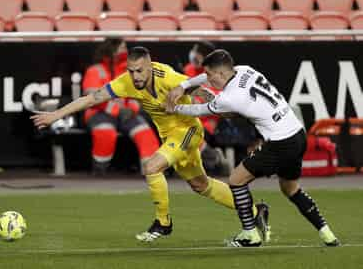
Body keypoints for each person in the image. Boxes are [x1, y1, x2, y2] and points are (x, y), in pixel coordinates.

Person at [31, 46, 269, 243]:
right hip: (170, 137)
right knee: (201, 185)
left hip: (187, 131)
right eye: (131, 71)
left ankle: (163, 222)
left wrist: (223, 106)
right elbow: (92, 98)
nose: (135, 77)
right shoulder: (127, 82)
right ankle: (256, 211)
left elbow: (199, 90)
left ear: (150, 65)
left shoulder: (168, 77)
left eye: (140, 71)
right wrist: (55, 115)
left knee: (152, 166)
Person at [166, 49, 339, 247]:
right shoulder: (244, 70)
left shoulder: (229, 98)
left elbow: (198, 110)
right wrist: (184, 85)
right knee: (290, 189)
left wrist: (174, 108)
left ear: (221, 73)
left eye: (210, 75)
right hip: (298, 134)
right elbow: (221, 98)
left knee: (236, 180)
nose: (208, 78)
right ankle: (327, 234)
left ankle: (250, 234)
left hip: (280, 142)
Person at [81, 38, 159, 175]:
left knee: (145, 134)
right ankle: (100, 170)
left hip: (127, 114)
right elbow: (92, 98)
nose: (126, 51)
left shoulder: (129, 70)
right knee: (105, 133)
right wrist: (117, 110)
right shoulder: (95, 70)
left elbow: (140, 95)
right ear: (112, 49)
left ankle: (152, 173)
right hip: (99, 113)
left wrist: (133, 109)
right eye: (122, 48)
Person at [184, 41, 229, 175]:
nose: (194, 56)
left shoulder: (218, 75)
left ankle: (212, 157)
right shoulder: (188, 70)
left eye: (198, 54)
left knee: (188, 135)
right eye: (194, 52)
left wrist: (200, 101)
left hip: (209, 120)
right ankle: (210, 155)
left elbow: (221, 102)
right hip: (188, 117)